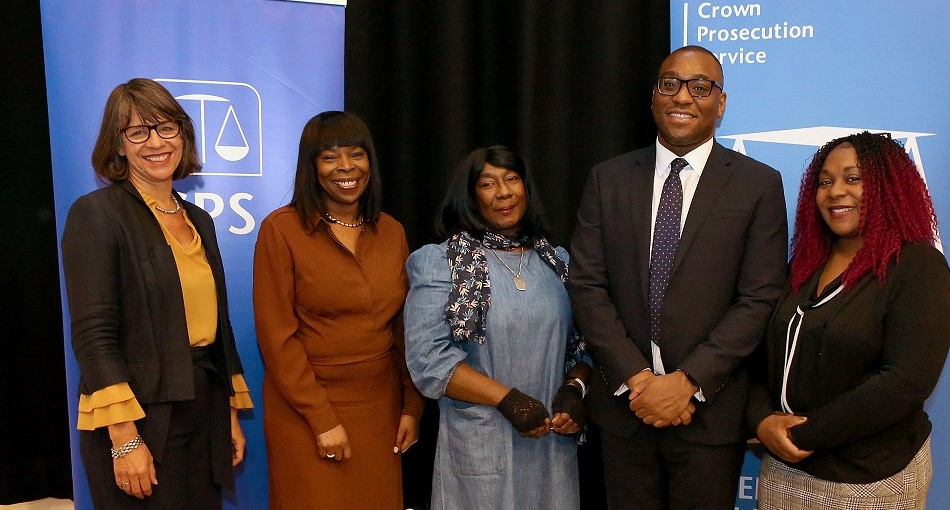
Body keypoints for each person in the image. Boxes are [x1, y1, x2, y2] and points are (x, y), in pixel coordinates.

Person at [567, 45, 789, 510]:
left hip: (710, 416)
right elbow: (587, 285)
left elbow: (760, 298)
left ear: (720, 103)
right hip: (625, 410)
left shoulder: (758, 185)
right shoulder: (608, 179)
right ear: (653, 97)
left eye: (700, 86)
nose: (682, 96)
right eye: (670, 84)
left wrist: (687, 381)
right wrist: (639, 380)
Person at [62, 78, 253, 509]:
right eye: (138, 131)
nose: (156, 142)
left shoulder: (199, 220)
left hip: (203, 406)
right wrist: (125, 439)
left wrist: (227, 415)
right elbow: (94, 336)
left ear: (183, 134)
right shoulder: (96, 215)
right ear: (119, 145)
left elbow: (218, 327)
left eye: (166, 127)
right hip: (138, 415)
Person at [746, 131, 950, 509]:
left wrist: (805, 434)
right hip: (784, 470)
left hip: (871, 478)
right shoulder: (805, 267)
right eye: (825, 181)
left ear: (889, 186)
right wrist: (761, 421)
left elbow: (904, 383)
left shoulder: (919, 266)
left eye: (853, 178)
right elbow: (765, 356)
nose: (835, 191)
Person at [404, 145, 591, 510]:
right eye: (488, 183)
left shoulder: (557, 262)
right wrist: (508, 400)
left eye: (511, 179)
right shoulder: (440, 262)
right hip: (480, 446)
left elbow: (582, 346)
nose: (503, 192)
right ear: (471, 196)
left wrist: (575, 390)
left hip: (550, 446)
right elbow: (428, 360)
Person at [253, 111, 423, 510]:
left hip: (381, 409)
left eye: (356, 154)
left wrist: (412, 407)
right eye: (329, 157)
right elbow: (277, 338)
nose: (346, 167)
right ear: (311, 167)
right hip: (306, 411)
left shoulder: (392, 231)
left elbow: (406, 329)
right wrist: (321, 418)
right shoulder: (281, 230)